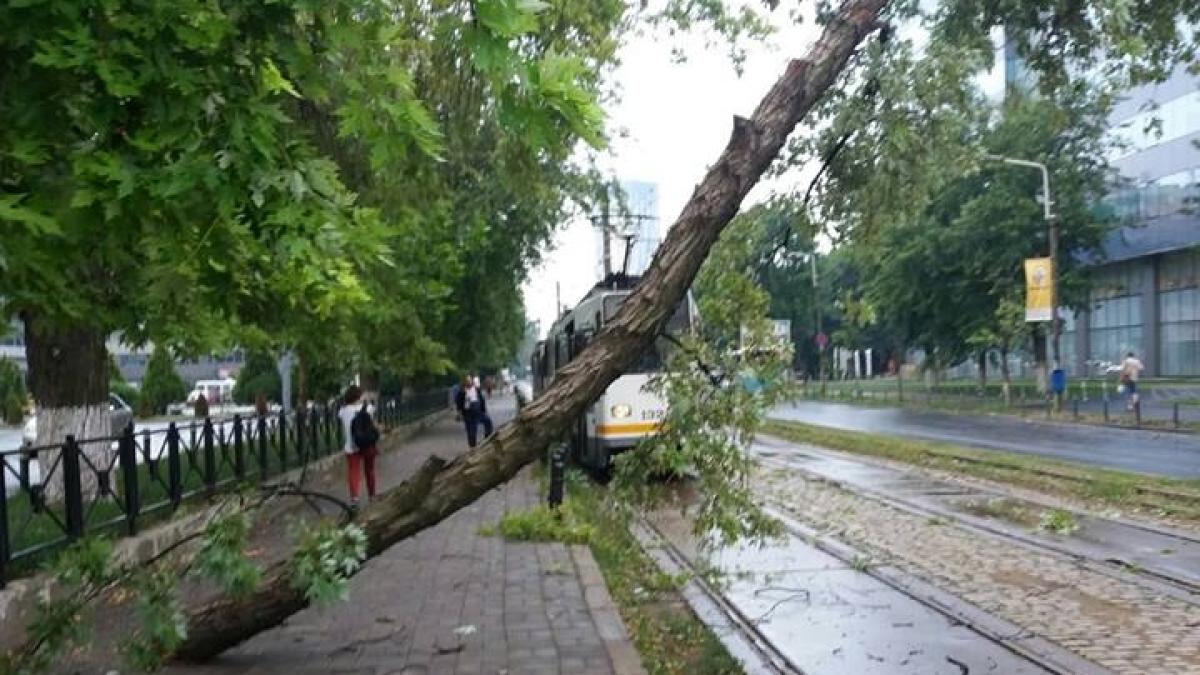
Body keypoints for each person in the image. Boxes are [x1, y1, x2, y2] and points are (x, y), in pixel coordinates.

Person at [338, 384, 378, 508]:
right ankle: (372, 495)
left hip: (351, 445)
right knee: (369, 470)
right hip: (367, 444)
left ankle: (354, 497)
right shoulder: (368, 408)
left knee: (353, 471)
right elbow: (372, 421)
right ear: (359, 396)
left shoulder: (342, 411)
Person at [454, 374, 494, 447]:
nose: (469, 382)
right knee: (471, 432)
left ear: (472, 381)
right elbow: (458, 403)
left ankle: (487, 438)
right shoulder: (461, 392)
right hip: (468, 414)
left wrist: (484, 410)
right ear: (464, 382)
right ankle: (473, 448)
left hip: (478, 412)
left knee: (488, 422)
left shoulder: (476, 389)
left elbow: (482, 400)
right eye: (467, 381)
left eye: (470, 380)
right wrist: (459, 412)